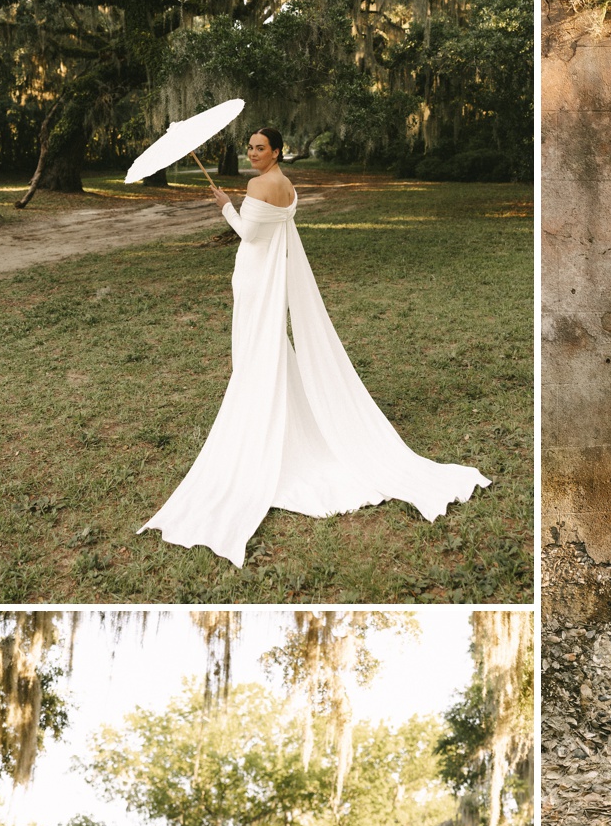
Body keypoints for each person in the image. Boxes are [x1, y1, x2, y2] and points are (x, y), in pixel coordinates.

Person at [141, 125, 489, 566]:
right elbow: (270, 228)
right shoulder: (286, 185)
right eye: (249, 147)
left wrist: (226, 207)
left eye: (260, 147)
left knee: (253, 349)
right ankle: (281, 414)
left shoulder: (256, 184)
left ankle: (262, 422)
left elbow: (249, 235)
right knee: (266, 345)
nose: (252, 153)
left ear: (277, 150)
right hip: (269, 274)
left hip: (254, 276)